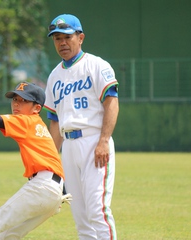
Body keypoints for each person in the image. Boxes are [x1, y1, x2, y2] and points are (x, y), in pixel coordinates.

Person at [44, 14, 119, 240]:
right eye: (57, 39)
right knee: (81, 216)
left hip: (94, 142)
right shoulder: (54, 76)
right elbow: (55, 122)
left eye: (67, 37)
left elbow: (111, 103)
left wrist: (104, 141)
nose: (62, 43)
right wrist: (49, 160)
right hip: (68, 147)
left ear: (81, 37)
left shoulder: (97, 65)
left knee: (98, 210)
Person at [0, 82, 65, 240]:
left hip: (42, 186)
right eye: (15, 99)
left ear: (37, 108)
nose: (16, 103)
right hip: (53, 190)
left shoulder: (27, 121)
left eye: (23, 100)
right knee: (8, 236)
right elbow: (53, 159)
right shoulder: (39, 125)